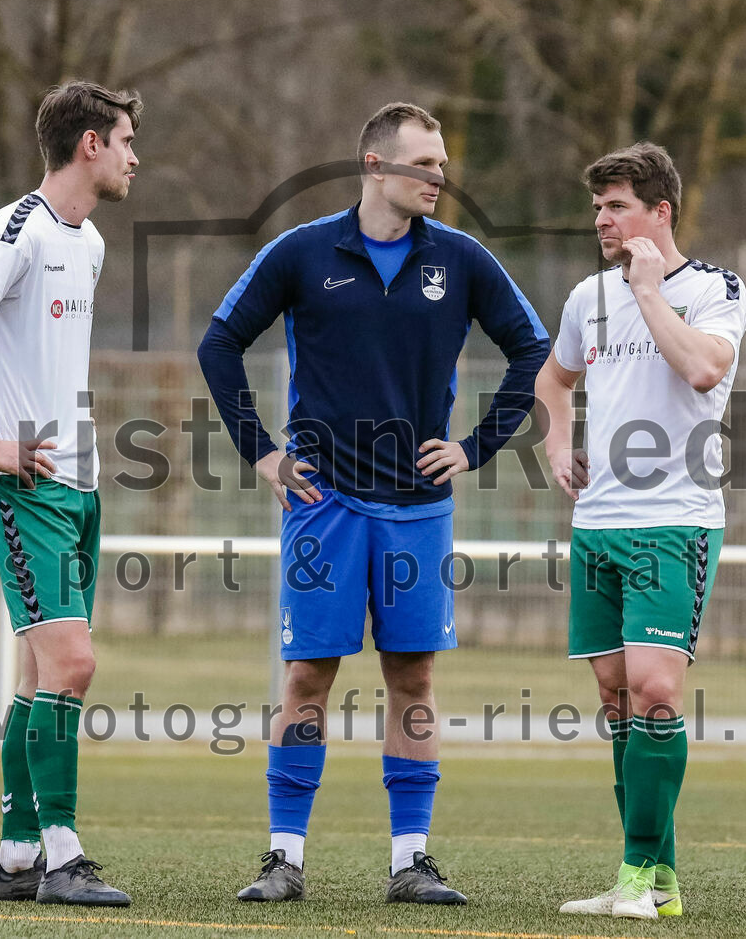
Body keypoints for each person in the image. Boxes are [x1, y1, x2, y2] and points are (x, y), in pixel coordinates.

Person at [198, 102, 549, 904]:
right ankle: (284, 859)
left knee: (413, 679)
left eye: (444, 163)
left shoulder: (461, 260)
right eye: (425, 164)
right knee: (307, 677)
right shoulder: (302, 251)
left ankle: (409, 862)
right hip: (323, 504)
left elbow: (534, 347)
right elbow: (219, 342)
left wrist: (475, 446)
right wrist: (262, 453)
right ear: (375, 167)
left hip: (419, 508)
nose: (440, 177)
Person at [0, 80, 141, 907]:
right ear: (89, 143)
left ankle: (16, 858)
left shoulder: (86, 243)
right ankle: (63, 855)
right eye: (124, 141)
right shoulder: (19, 229)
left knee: (36, 675)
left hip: (74, 488)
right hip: (22, 491)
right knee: (74, 665)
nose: (134, 158)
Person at [536, 142, 746, 920]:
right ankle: (657, 879)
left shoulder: (715, 288)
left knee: (658, 691)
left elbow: (700, 369)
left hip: (677, 521)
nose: (602, 219)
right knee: (617, 696)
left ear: (660, 213)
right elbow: (552, 378)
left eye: (618, 205)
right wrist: (560, 446)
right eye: (597, 207)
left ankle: (635, 875)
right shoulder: (585, 296)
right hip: (599, 524)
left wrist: (650, 289)